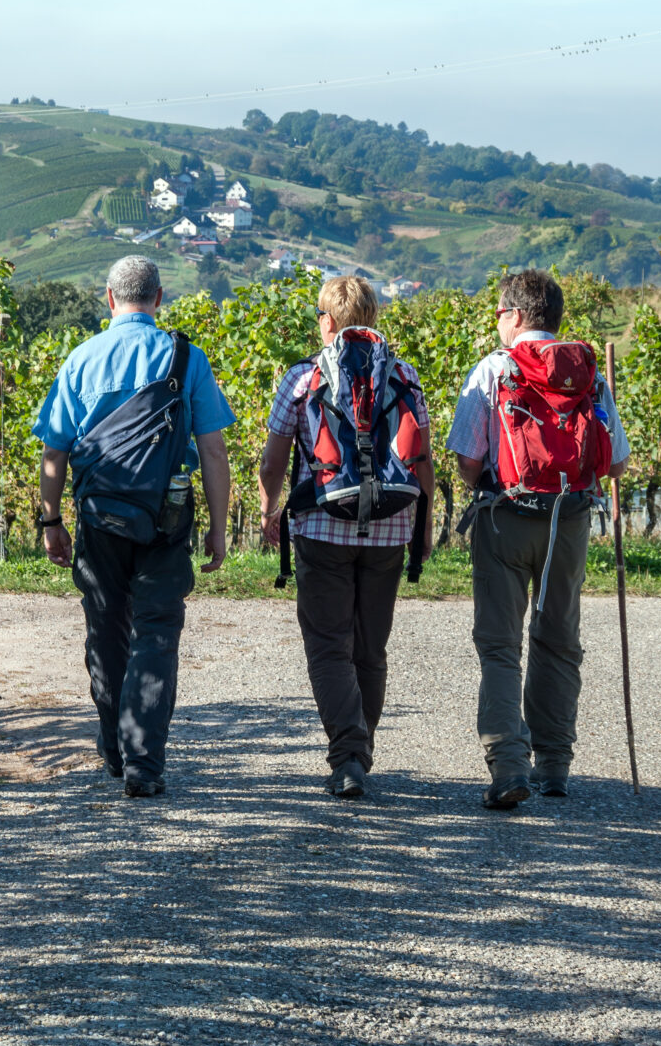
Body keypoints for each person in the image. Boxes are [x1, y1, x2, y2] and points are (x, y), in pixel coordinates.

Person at [33, 255, 236, 798]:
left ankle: (113, 749)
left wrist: (51, 519)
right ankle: (144, 762)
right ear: (160, 298)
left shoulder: (81, 358)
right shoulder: (186, 357)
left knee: (106, 628)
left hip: (100, 518)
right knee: (157, 631)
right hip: (167, 519)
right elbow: (213, 451)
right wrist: (219, 527)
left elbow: (55, 451)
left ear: (109, 298)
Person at [447, 270, 630, 810]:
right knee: (558, 641)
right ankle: (554, 767)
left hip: (505, 517)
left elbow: (467, 458)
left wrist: (491, 486)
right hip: (568, 523)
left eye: (500, 313)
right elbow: (615, 461)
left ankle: (508, 767)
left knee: (500, 645)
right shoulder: (586, 375)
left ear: (516, 315)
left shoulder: (493, 369)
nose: (498, 323)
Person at [257, 276, 434, 798]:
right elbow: (421, 458)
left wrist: (271, 509)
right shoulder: (404, 375)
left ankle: (349, 754)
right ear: (373, 317)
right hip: (390, 526)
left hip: (321, 525)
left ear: (327, 321)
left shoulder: (303, 377)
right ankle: (359, 750)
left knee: (330, 647)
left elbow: (273, 460)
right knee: (370, 649)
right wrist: (422, 529)